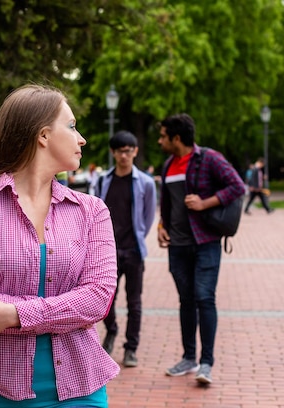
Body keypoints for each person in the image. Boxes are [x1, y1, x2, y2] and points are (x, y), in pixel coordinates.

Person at [0, 84, 119, 407]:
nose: (82, 139)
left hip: (81, 389)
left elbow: (98, 300)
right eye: (72, 125)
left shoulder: (92, 211)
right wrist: (64, 312)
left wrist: (12, 314)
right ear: (43, 136)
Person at [156, 113, 245, 385]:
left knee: (204, 298)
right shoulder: (168, 164)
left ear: (177, 138)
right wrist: (162, 225)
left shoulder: (209, 159)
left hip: (205, 242)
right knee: (186, 301)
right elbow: (168, 202)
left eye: (163, 136)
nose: (160, 141)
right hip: (178, 246)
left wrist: (206, 203)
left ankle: (207, 363)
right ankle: (189, 358)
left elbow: (237, 186)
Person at [95, 130, 157, 368]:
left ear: (135, 152)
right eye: (120, 151)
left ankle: (131, 348)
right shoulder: (102, 181)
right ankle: (111, 329)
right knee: (105, 299)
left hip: (133, 252)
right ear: (113, 152)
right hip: (107, 252)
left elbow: (148, 217)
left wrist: (137, 239)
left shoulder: (146, 184)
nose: (125, 155)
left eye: (129, 151)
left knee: (135, 302)